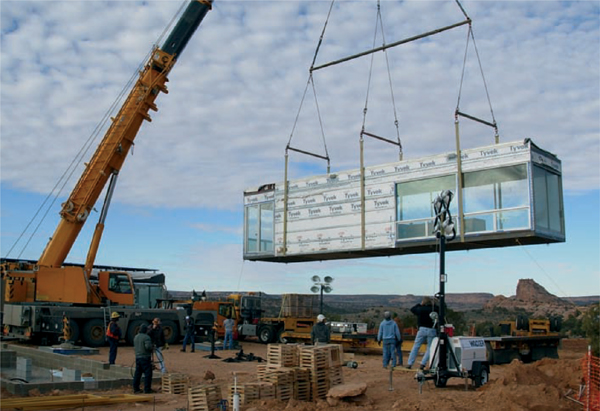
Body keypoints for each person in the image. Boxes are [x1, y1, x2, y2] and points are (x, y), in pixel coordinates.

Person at [406, 296, 439, 370]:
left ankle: (410, 363)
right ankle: (423, 364)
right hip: (432, 329)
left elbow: (412, 309)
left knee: (416, 346)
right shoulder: (435, 309)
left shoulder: (421, 309)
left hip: (422, 329)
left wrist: (420, 304)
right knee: (430, 348)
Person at [133, 324, 154, 394]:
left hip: (138, 357)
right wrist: (152, 347)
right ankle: (147, 389)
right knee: (148, 374)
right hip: (145, 357)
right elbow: (148, 347)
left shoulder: (136, 337)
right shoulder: (146, 337)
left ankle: (136, 389)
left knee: (137, 374)